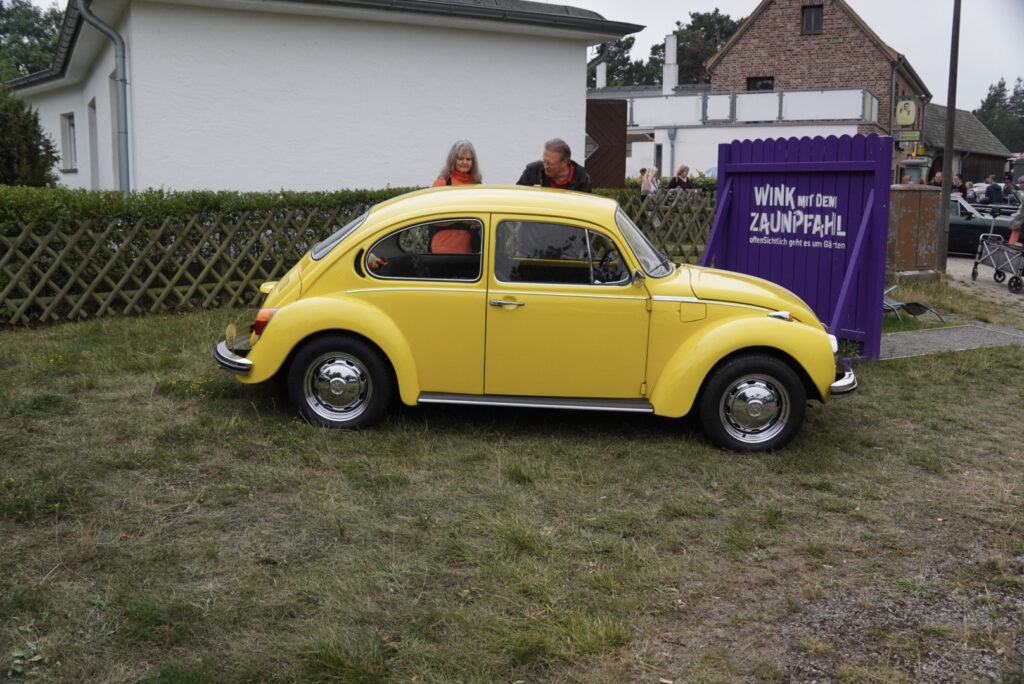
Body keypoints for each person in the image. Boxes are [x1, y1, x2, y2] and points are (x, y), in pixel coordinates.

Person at [430, 140, 481, 253]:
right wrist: (462, 219)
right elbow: (431, 219)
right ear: (453, 160)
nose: (464, 162)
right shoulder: (442, 183)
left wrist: (478, 223)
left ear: (473, 162)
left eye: (468, 159)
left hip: (470, 247)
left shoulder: (478, 184)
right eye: (460, 159)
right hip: (443, 246)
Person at [516, 138, 592, 192]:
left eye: (550, 163)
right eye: (544, 161)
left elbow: (586, 206)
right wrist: (532, 194)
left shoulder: (581, 177)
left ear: (565, 162)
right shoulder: (532, 170)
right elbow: (517, 195)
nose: (545, 166)